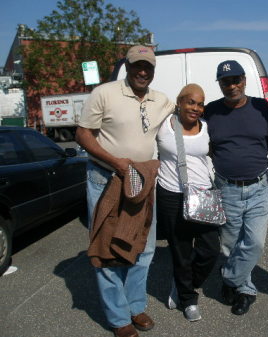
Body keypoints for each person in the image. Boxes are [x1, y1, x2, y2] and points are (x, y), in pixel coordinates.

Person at [76, 45, 175, 337]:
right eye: (137, 66)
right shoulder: (104, 94)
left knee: (143, 248)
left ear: (154, 70)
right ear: (128, 68)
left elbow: (186, 114)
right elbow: (82, 134)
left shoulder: (161, 100)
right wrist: (115, 162)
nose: (143, 72)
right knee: (108, 250)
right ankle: (119, 318)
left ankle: (135, 306)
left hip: (142, 182)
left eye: (148, 67)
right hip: (106, 179)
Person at [204, 60, 268, 316]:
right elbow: (200, 140)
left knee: (254, 243)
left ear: (244, 80)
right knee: (230, 245)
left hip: (258, 187)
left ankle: (229, 278)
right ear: (220, 84)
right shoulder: (210, 111)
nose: (231, 86)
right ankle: (245, 289)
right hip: (227, 188)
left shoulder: (261, 107)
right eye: (226, 82)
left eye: (236, 80)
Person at [155, 83, 220, 322]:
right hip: (171, 194)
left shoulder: (206, 128)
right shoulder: (164, 125)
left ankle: (185, 282)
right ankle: (188, 299)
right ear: (180, 102)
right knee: (181, 250)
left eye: (200, 103)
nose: (196, 107)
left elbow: (217, 152)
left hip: (203, 195)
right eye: (191, 102)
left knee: (210, 249)